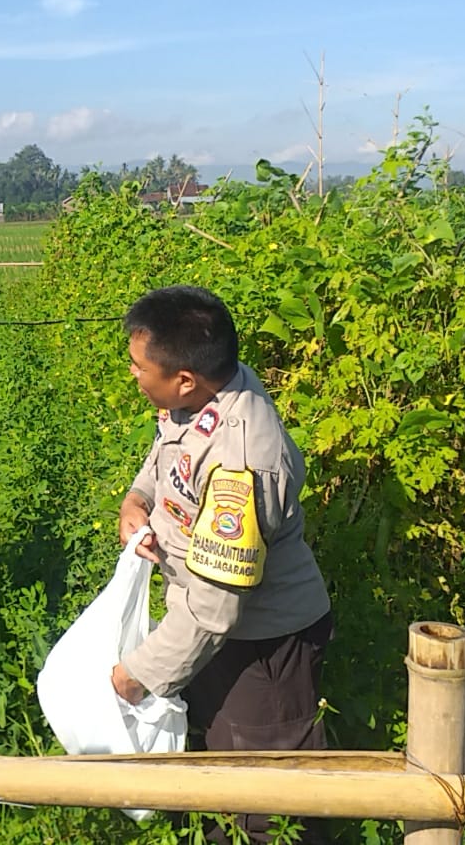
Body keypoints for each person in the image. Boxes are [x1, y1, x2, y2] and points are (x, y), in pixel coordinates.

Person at [110, 285, 331, 842]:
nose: (133, 375)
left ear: (184, 377)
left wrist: (139, 675)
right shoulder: (203, 393)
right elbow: (171, 454)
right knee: (211, 768)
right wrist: (138, 498)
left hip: (261, 646)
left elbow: (216, 609)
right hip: (207, 631)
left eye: (139, 367)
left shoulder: (243, 465)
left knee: (265, 805)